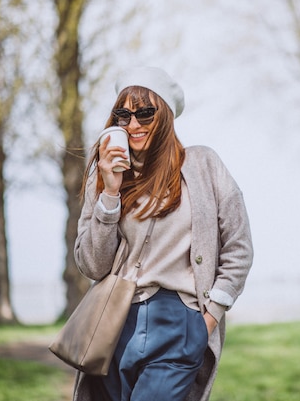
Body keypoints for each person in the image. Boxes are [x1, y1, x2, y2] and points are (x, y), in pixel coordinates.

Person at [72, 66, 253, 401]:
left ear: (166, 115)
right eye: (123, 114)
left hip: (179, 320)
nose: (134, 124)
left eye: (144, 113)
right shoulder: (106, 173)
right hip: (116, 322)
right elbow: (92, 265)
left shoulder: (203, 165)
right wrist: (110, 192)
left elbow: (238, 249)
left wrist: (209, 318)